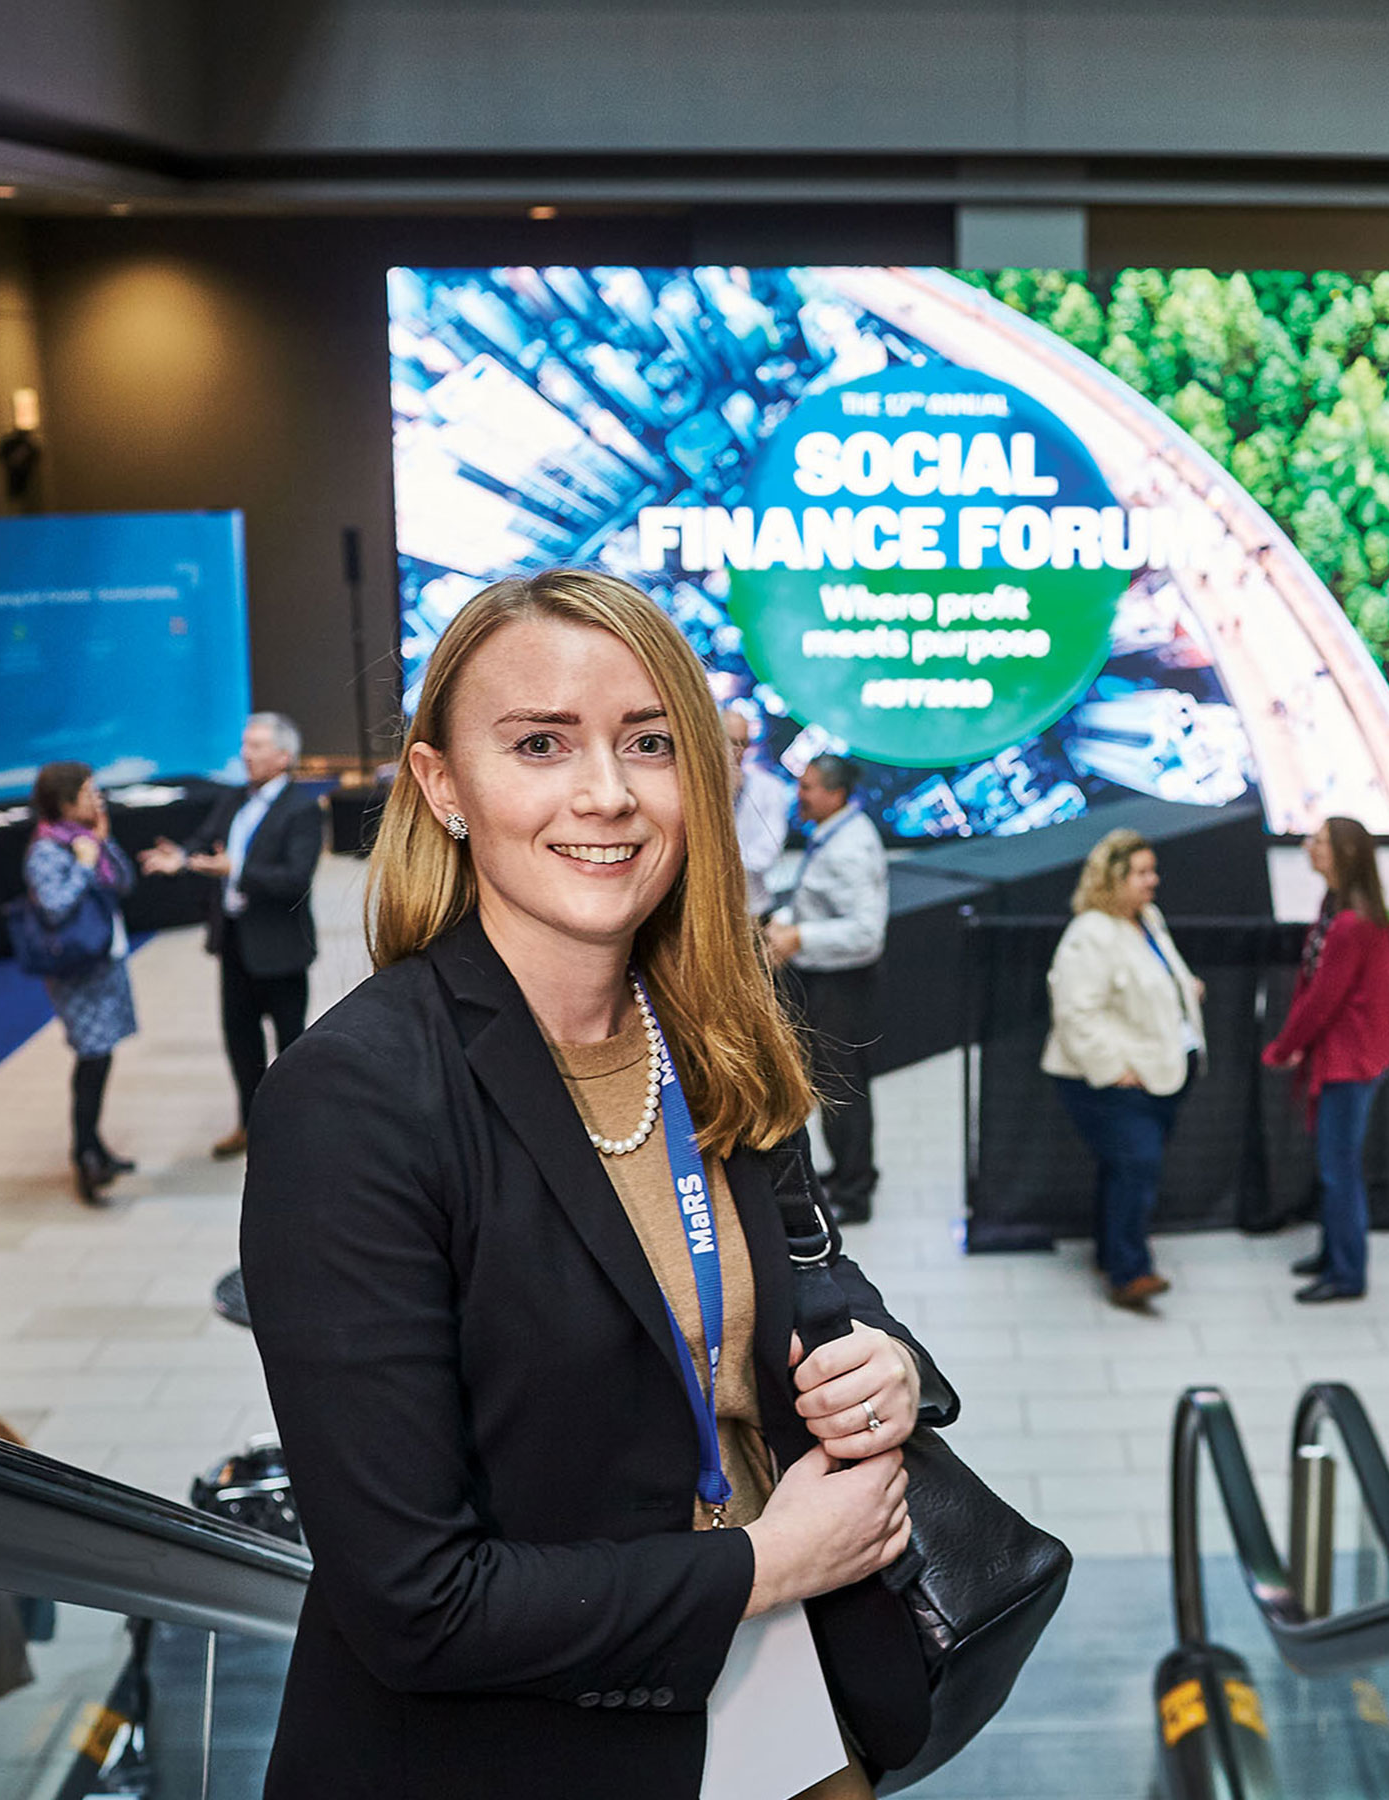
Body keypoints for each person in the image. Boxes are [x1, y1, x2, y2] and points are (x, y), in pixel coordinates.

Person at [240, 570, 956, 1799]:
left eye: (649, 743)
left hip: (790, 1725)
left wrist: (889, 1365)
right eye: (539, 744)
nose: (609, 795)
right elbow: (416, 1602)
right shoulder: (355, 1101)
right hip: (523, 1752)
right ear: (442, 787)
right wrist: (760, 1569)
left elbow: (814, 1276)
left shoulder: (713, 1026)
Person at [139, 713, 324, 1159]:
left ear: (283, 757)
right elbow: (206, 840)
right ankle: (250, 1124)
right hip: (236, 943)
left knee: (291, 1044)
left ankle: (299, 1132)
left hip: (280, 947)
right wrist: (180, 857)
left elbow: (295, 879)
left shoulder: (300, 809)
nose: (246, 753)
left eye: (257, 746)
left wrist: (236, 871)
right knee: (239, 1039)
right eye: (245, 744)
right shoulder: (234, 798)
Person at [1041, 830, 1207, 1310]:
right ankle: (1129, 1273)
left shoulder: (1147, 919)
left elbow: (1157, 973)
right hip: (1114, 1082)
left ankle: (1111, 1253)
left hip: (1163, 1070)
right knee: (1138, 1166)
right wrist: (1115, 1069)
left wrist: (1183, 988)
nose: (1153, 881)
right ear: (1112, 879)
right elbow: (1074, 1012)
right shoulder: (1090, 933)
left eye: (1152, 871)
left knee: (1125, 1169)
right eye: (1141, 873)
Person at [1262, 817, 1389, 1304]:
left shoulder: (1351, 922)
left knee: (1338, 1168)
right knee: (1335, 1164)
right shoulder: (1341, 906)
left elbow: (1323, 998)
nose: (1309, 847)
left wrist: (1284, 1047)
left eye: (1320, 842)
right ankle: (1334, 1254)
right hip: (1349, 1052)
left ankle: (1347, 1274)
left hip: (1352, 1059)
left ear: (1343, 854)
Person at [764, 757, 888, 1224]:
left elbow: (866, 933)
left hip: (843, 985)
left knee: (842, 1089)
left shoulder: (849, 849)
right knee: (839, 1084)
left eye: (809, 787)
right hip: (828, 980)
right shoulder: (834, 832)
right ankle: (851, 1172)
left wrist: (800, 939)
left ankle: (855, 1193)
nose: (799, 795)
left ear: (835, 794)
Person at [23, 763, 137, 1204]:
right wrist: (86, 866)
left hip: (105, 962)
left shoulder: (86, 837)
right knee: (91, 1058)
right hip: (76, 971)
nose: (98, 799)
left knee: (101, 1056)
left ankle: (94, 1147)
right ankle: (85, 1156)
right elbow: (54, 907)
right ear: (65, 802)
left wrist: (103, 844)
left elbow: (125, 883)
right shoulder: (47, 849)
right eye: (89, 793)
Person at [721, 702, 792, 916]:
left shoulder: (771, 788)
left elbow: (765, 856)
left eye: (744, 743)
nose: (739, 751)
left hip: (752, 912)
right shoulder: (689, 788)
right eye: (732, 742)